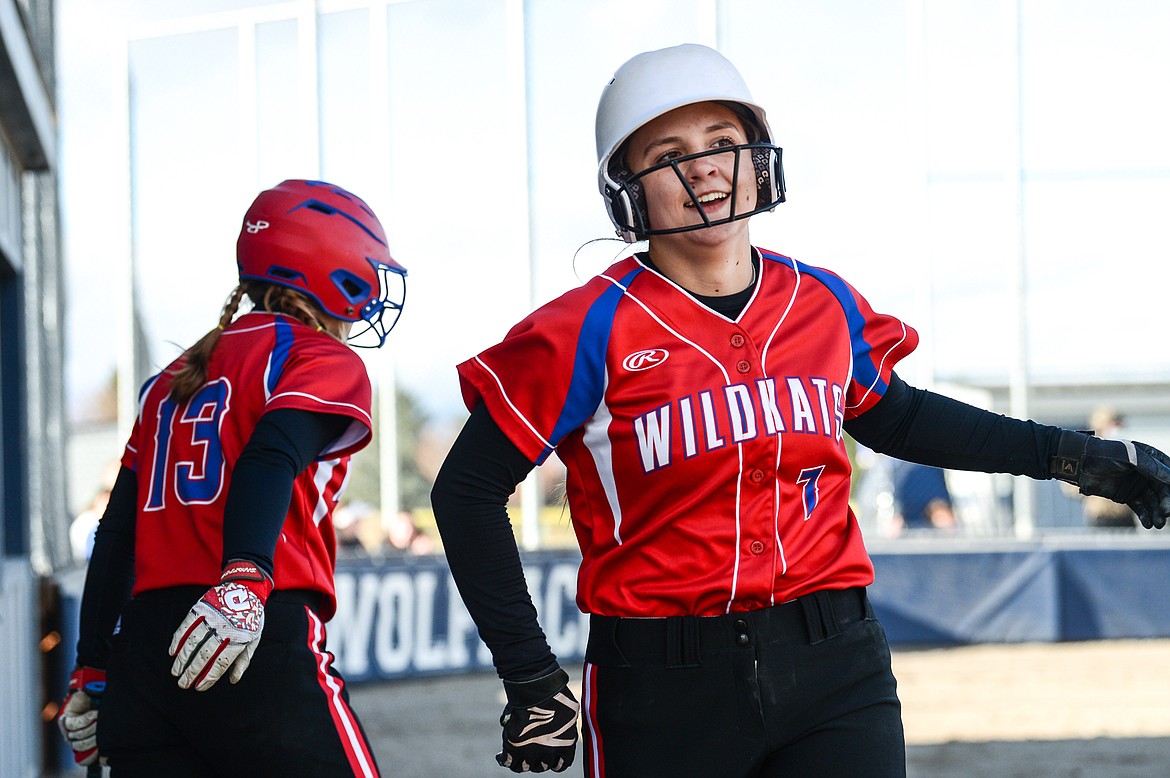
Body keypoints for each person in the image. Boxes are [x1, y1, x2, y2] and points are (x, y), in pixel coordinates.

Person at [429, 43, 1170, 777]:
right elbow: (465, 492)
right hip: (660, 684)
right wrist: (530, 675)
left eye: (724, 143)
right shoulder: (583, 329)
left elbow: (901, 418)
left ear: (758, 159)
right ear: (628, 189)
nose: (705, 168)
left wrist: (1077, 457)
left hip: (835, 666)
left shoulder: (822, 303)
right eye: (668, 153)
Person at [56, 179, 407, 777]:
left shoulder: (169, 379)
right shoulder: (320, 359)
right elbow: (269, 456)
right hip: (250, 633)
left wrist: (91, 668)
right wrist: (244, 579)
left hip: (144, 656)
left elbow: (117, 534)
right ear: (335, 270)